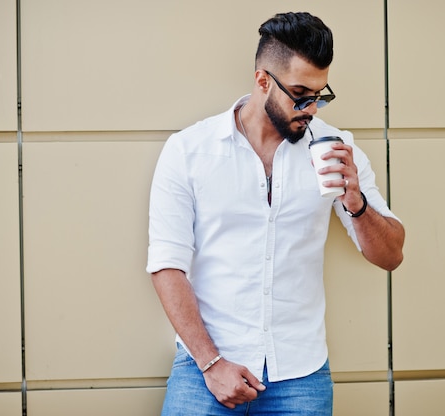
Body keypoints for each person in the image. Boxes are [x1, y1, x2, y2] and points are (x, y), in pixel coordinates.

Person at [146, 11, 405, 415]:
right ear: (263, 80)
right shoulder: (189, 151)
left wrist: (356, 201)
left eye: (321, 95)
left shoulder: (337, 149)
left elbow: (391, 255)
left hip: (301, 374)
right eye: (301, 94)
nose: (313, 108)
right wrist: (212, 364)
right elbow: (167, 265)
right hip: (205, 370)